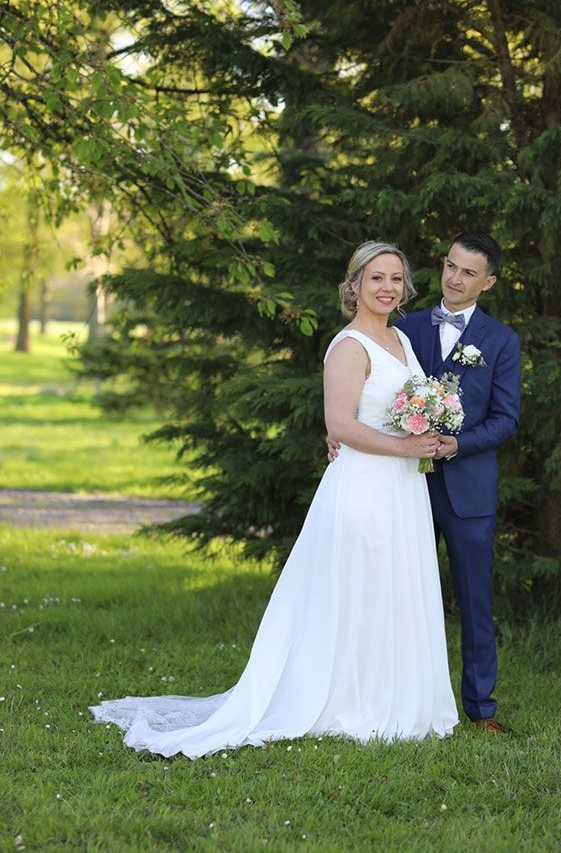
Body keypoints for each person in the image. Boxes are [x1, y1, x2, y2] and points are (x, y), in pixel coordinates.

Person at [90, 241, 458, 758]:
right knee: (359, 590)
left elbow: (400, 404)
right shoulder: (349, 345)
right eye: (376, 278)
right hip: (364, 489)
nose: (387, 287)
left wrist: (430, 431)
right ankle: (352, 701)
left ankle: (395, 696)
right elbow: (340, 424)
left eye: (396, 278)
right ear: (353, 286)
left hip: (401, 487)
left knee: (394, 586)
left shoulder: (399, 338)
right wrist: (406, 444)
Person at [331, 231, 520, 733]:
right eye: (451, 266)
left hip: (467, 489)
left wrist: (457, 444)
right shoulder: (403, 327)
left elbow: (507, 419)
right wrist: (339, 437)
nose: (456, 279)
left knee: (475, 601)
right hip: (400, 486)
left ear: (489, 281)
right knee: (395, 592)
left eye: (469, 273)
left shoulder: (502, 341)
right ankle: (387, 696)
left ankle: (482, 710)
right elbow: (360, 389)